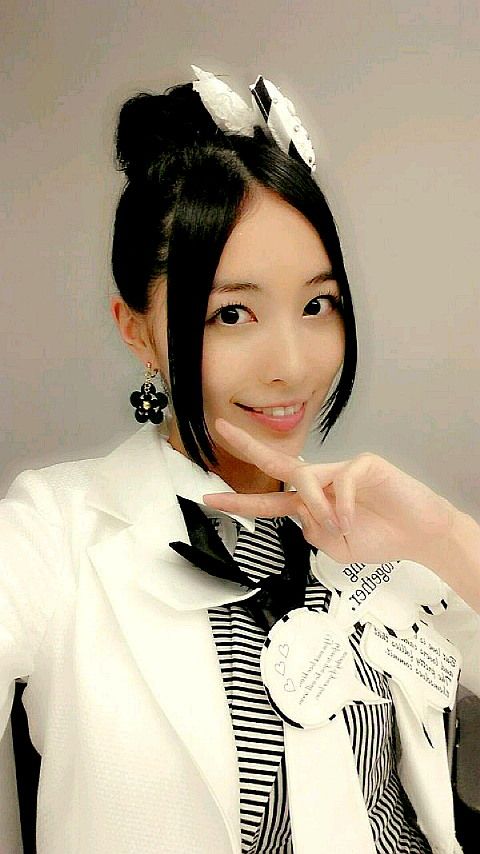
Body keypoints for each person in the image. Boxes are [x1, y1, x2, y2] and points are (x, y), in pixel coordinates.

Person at [1, 66, 479, 854]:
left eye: (317, 304)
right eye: (232, 314)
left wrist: (447, 537)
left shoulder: (379, 529)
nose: (291, 364)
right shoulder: (55, 534)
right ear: (135, 329)